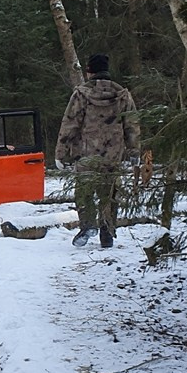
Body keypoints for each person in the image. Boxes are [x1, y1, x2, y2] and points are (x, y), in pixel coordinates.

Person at [55, 54, 140, 248]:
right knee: (109, 192)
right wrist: (134, 151)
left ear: (89, 71)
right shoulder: (122, 94)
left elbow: (70, 124)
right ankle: (107, 231)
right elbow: (132, 124)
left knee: (84, 191)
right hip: (113, 154)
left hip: (86, 153)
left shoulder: (81, 94)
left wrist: (61, 153)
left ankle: (87, 226)